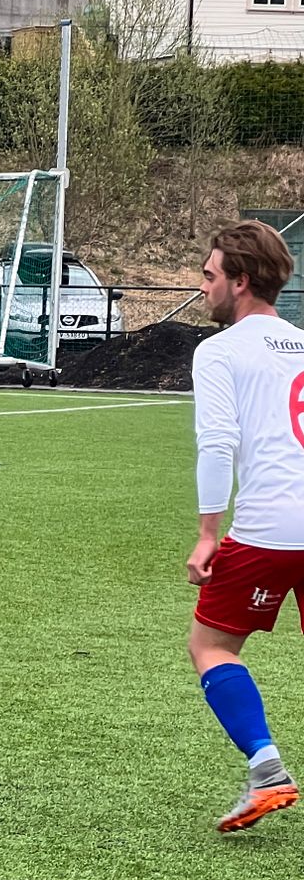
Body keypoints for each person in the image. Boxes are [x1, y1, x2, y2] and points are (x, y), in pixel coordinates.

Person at [185, 220, 304, 834]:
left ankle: (267, 771)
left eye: (209, 276)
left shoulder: (221, 351)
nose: (203, 287)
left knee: (210, 646)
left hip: (269, 530)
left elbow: (218, 445)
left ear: (241, 280)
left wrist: (209, 533)